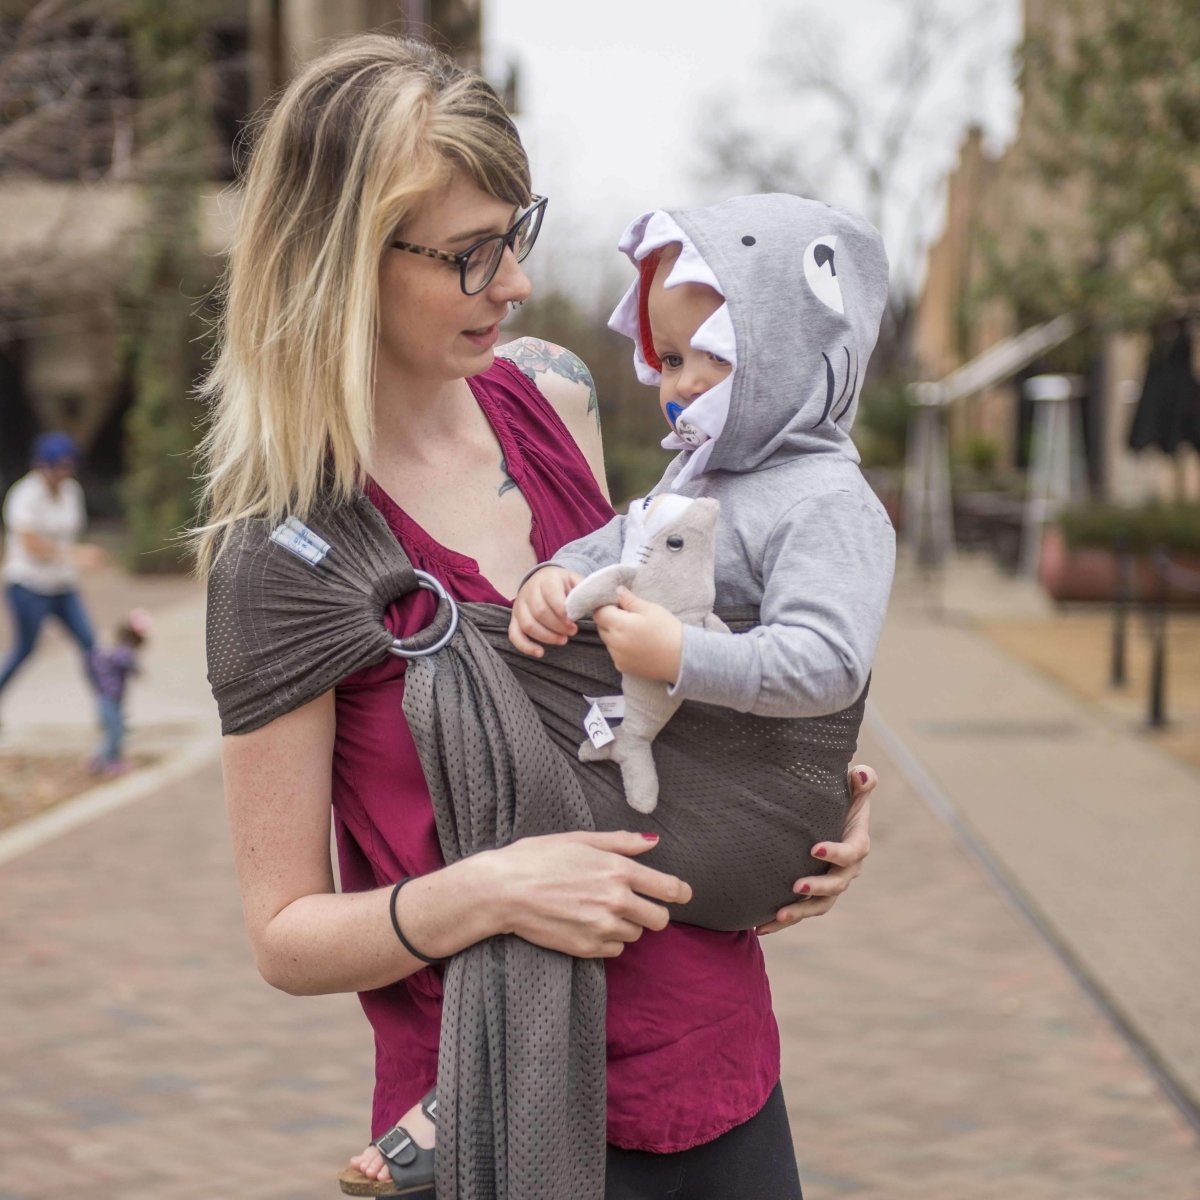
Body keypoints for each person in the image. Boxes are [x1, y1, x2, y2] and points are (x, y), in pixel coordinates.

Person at [194, 34, 876, 1200]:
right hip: (496, 1115)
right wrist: (494, 889)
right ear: (340, 263)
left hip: (721, 1070)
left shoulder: (553, 399)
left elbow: (630, 697)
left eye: (517, 233)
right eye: (469, 254)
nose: (512, 284)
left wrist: (792, 809)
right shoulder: (288, 555)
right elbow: (285, 934)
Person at [512, 196, 894, 742]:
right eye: (670, 359)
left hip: (755, 796)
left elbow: (830, 664)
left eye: (714, 353)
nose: (684, 382)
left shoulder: (826, 501)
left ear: (789, 355)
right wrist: (559, 572)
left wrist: (680, 654)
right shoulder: (696, 472)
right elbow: (630, 535)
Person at [0, 432, 101, 721]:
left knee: (89, 643)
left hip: (62, 585)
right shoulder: (24, 495)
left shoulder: (72, 491)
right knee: (24, 649)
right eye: (59, 467)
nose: (64, 473)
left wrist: (74, 560)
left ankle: (109, 714)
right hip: (28, 585)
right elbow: (30, 543)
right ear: (43, 466)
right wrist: (75, 555)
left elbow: (70, 533)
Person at [87, 607, 152, 776]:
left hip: (108, 698)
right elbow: (127, 661)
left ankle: (100, 759)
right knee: (116, 731)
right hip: (109, 698)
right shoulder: (123, 651)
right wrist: (139, 671)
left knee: (114, 730)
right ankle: (109, 762)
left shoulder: (115, 650)